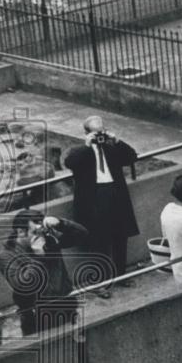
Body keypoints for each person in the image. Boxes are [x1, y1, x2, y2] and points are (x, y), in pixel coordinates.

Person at [64, 116, 139, 297]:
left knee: (120, 238)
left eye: (102, 131)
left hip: (115, 195)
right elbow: (69, 163)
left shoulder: (111, 147)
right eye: (96, 133)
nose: (100, 136)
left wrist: (117, 140)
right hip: (94, 200)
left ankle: (121, 275)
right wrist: (86, 145)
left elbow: (132, 156)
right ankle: (101, 283)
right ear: (87, 133)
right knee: (98, 242)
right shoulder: (81, 151)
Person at [0, 210, 88, 336]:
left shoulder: (49, 241)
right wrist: (39, 257)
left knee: (77, 350)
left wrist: (60, 223)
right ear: (21, 231)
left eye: (42, 231)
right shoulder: (5, 256)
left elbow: (82, 235)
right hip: (37, 318)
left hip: (66, 307)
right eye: (35, 232)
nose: (41, 236)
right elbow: (22, 284)